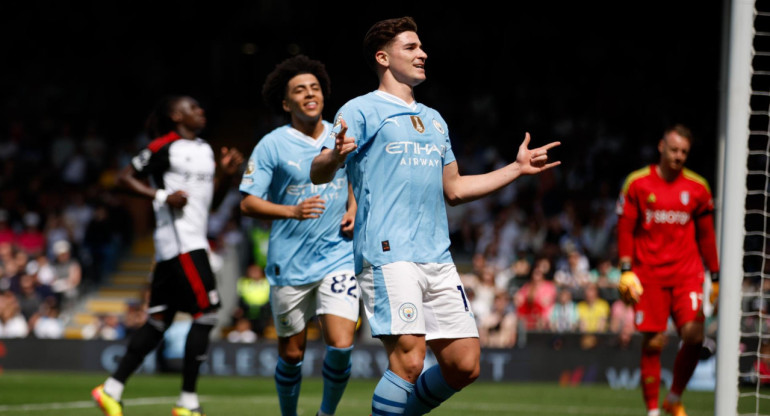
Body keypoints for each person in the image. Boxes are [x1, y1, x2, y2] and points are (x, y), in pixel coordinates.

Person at [310, 16, 560, 416]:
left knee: (464, 365)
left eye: (421, 47)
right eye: (411, 47)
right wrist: (334, 155)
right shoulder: (360, 110)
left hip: (437, 257)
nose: (422, 53)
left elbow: (456, 189)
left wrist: (516, 169)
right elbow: (317, 171)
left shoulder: (434, 119)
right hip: (388, 253)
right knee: (409, 361)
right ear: (383, 57)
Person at [91, 94, 244, 416]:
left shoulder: (204, 150)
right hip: (182, 244)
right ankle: (187, 402)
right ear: (176, 115)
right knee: (209, 313)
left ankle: (110, 389)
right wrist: (161, 195)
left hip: (185, 243)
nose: (201, 110)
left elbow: (211, 205)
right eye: (192, 107)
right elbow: (122, 179)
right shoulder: (164, 147)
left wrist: (227, 176)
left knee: (158, 322)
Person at [239, 55, 358, 416]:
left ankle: (326, 413)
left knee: (341, 344)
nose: (310, 93)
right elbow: (248, 204)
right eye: (300, 90)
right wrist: (291, 210)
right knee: (291, 354)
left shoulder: (342, 134)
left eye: (315, 88)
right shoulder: (272, 145)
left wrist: (352, 207)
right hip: (289, 262)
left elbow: (352, 175)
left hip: (338, 256)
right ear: (286, 102)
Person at [616, 123, 720, 416]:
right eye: (674, 149)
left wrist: (715, 275)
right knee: (653, 341)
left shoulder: (698, 188)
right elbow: (625, 229)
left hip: (687, 274)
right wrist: (626, 269)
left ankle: (673, 398)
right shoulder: (637, 183)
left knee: (695, 335)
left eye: (684, 152)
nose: (678, 156)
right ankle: (652, 411)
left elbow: (706, 235)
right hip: (648, 275)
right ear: (661, 147)